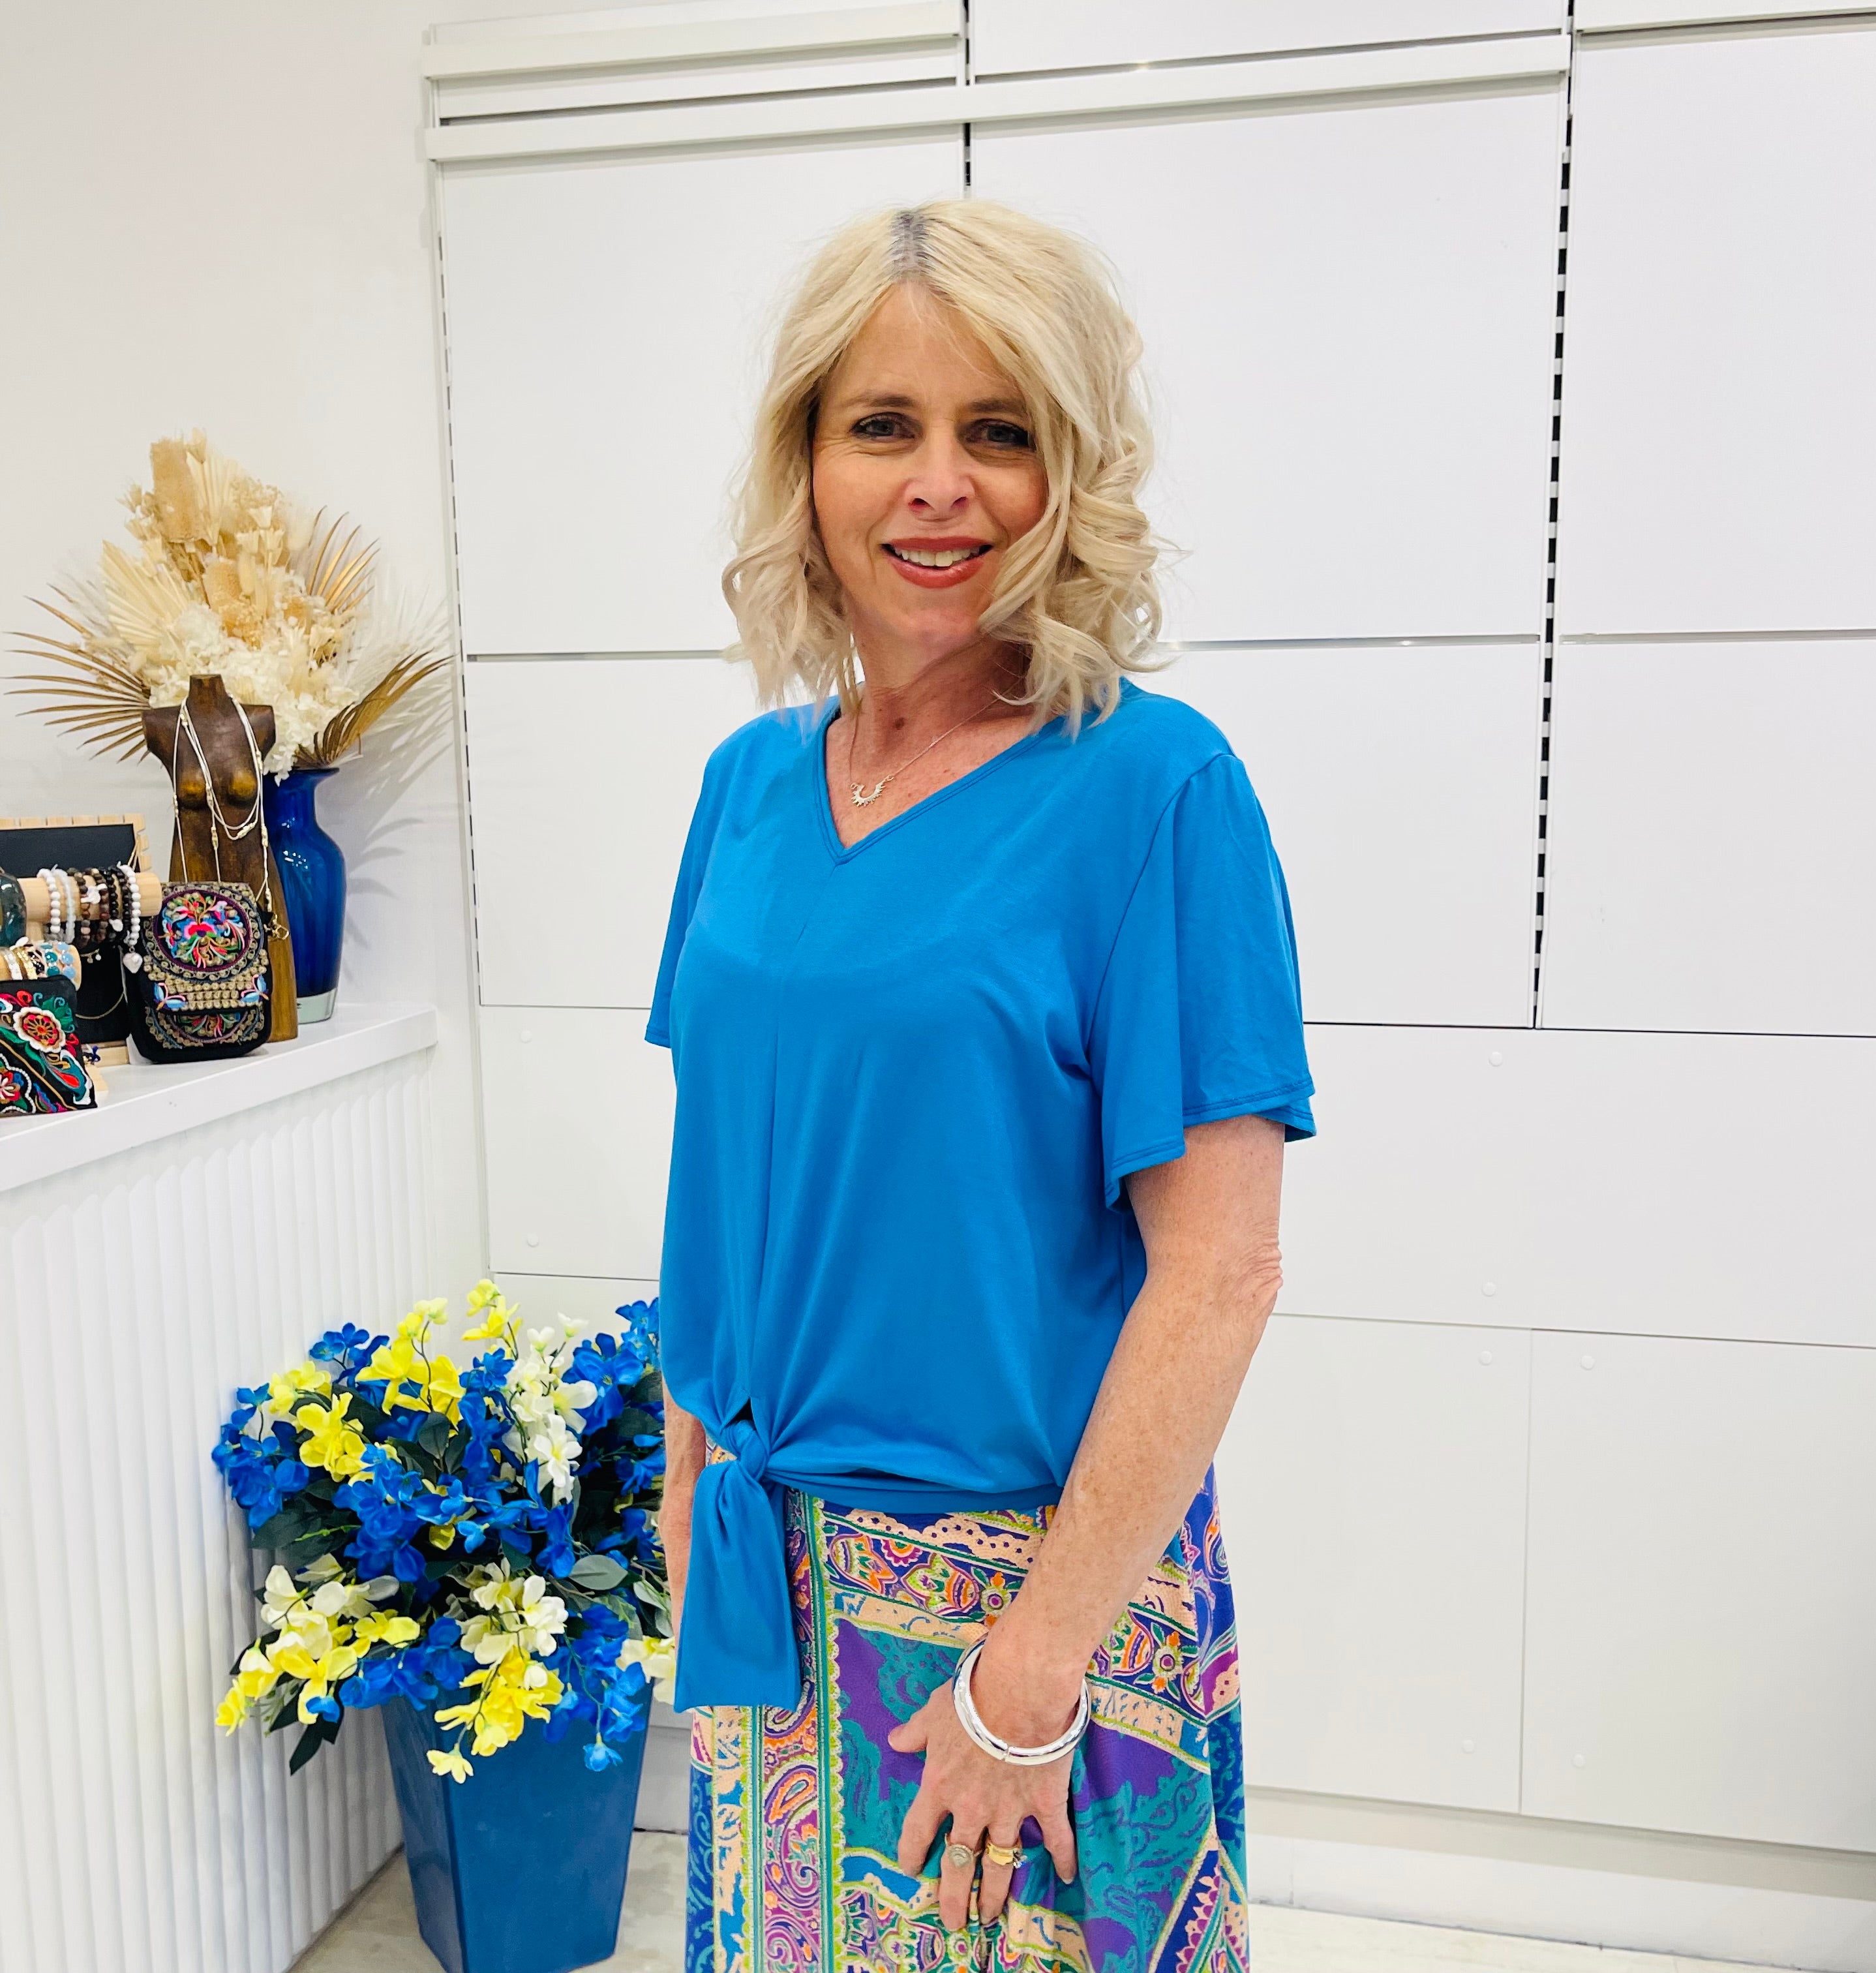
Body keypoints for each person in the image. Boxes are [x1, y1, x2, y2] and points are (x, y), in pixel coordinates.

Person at [648, 198, 1314, 1973]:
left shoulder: (1155, 792)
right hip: (764, 1589)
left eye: (997, 432)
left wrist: (1030, 1676)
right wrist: (684, 1475)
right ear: (806, 465)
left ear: (1070, 474)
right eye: (884, 427)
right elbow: (722, 1173)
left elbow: (1223, 1270)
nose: (938, 483)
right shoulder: (748, 788)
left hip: (1022, 1615)